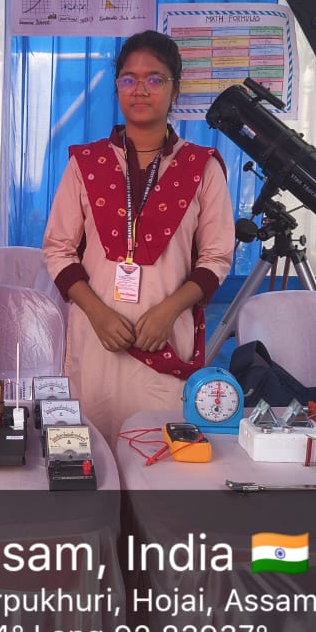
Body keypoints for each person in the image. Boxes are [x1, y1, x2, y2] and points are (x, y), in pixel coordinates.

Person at [42, 31, 235, 439]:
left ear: (175, 89)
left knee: (158, 452)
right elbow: (58, 249)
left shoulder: (202, 167)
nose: (140, 89)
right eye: (129, 79)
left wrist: (170, 311)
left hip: (165, 339)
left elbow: (216, 258)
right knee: (91, 452)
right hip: (96, 339)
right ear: (117, 88)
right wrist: (97, 314)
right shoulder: (86, 164)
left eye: (155, 79)